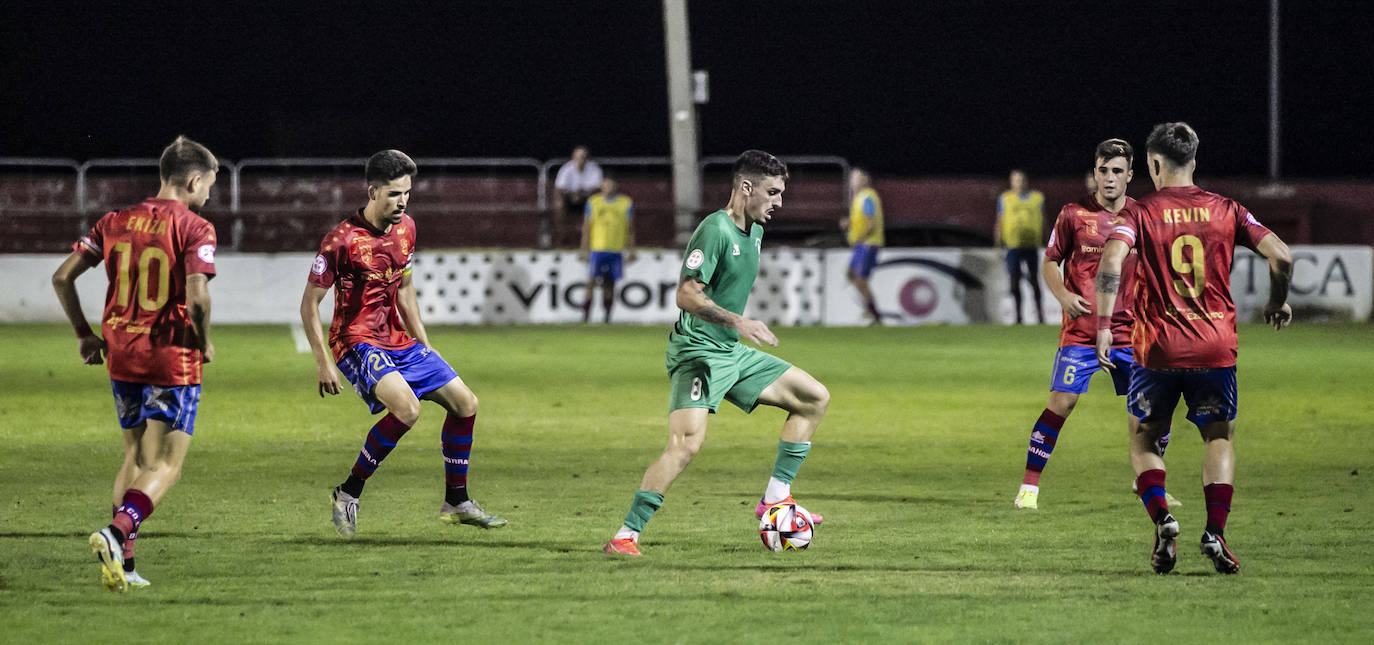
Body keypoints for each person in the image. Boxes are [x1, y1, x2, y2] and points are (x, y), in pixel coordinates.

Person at [603, 150, 831, 556]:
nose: (779, 201)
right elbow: (686, 293)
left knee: (813, 397)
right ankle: (626, 535)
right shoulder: (716, 230)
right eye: (773, 192)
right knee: (685, 446)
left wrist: (734, 331)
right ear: (746, 188)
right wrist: (739, 322)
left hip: (729, 350)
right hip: (698, 354)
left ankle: (775, 499)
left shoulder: (755, 230)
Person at [1095, 122, 1292, 575]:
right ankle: (1215, 532)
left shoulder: (1139, 213)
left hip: (1157, 350)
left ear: (1154, 163)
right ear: (1194, 161)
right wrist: (1277, 302)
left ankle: (1163, 520)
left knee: (1144, 438)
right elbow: (1282, 255)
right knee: (1218, 437)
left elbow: (1110, 260)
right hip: (1214, 349)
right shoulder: (1228, 209)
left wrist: (1105, 326)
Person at [301, 149, 505, 538]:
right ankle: (348, 493)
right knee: (407, 410)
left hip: (397, 339)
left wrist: (426, 345)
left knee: (466, 404)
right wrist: (323, 361)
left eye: (407, 193)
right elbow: (309, 305)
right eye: (395, 194)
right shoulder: (341, 241)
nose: (403, 201)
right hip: (355, 341)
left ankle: (456, 500)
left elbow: (406, 289)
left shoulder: (406, 228)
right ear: (373, 191)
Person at [52, 136, 219, 592]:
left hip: (121, 351)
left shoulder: (114, 220)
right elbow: (198, 298)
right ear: (193, 179)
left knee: (135, 454)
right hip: (171, 356)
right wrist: (202, 342)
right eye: (210, 185)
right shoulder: (195, 227)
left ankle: (123, 565)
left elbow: (62, 276)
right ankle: (116, 532)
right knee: (166, 464)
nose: (209, 195)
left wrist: (85, 336)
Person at [580, 174, 635, 323]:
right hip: (597, 249)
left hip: (616, 250)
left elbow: (630, 228)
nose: (608, 188)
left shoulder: (625, 203)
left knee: (610, 284)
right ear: (601, 186)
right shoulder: (593, 202)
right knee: (590, 281)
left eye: (611, 185)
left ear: (615, 186)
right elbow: (586, 226)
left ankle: (607, 316)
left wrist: (631, 250)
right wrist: (584, 248)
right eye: (606, 185)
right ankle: (585, 315)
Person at [994, 169, 1046, 324]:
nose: (1019, 183)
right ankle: (1018, 316)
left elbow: (1044, 220)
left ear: (1026, 181)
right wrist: (997, 242)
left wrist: (1048, 239)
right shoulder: (1005, 198)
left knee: (1034, 281)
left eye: (1022, 179)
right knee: (1014, 281)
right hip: (1013, 246)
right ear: (1011, 182)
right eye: (1016, 180)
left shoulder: (1037, 198)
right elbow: (999, 220)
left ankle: (1040, 315)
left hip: (1031, 246)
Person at [839, 167, 884, 324]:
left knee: (860, 279)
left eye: (856, 177)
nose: (853, 181)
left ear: (865, 179)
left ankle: (873, 313)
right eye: (852, 178)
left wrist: (861, 237)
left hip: (868, 244)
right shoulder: (859, 198)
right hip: (860, 245)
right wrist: (849, 223)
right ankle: (869, 308)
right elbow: (862, 220)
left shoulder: (868, 197)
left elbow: (870, 222)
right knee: (851, 274)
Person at [552, 145, 603, 248]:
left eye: (584, 156)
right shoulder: (566, 169)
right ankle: (562, 238)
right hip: (570, 199)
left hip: (588, 199)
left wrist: (582, 195)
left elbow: (598, 188)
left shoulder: (594, 169)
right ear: (573, 157)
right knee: (558, 204)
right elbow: (559, 188)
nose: (581, 159)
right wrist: (573, 195)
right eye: (578, 156)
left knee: (599, 201)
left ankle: (596, 238)